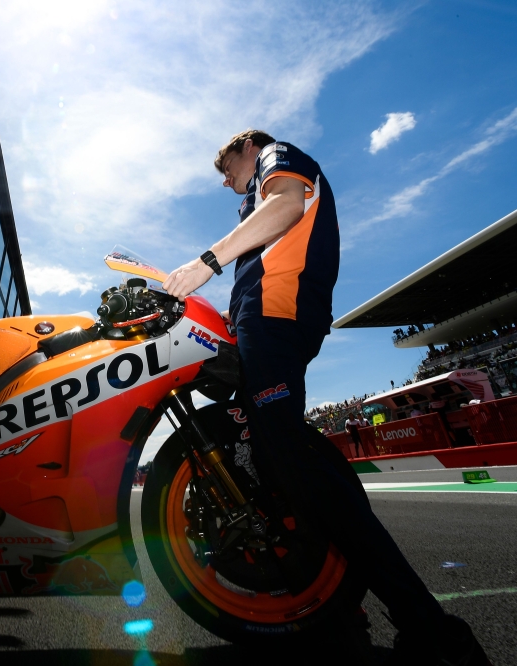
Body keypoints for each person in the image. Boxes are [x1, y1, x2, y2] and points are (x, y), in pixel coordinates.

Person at [162, 130, 489, 663]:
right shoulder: (253, 199)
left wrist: (205, 262)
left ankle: (427, 624)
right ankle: (338, 603)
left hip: (278, 320)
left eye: (224, 164)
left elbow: (287, 204)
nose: (223, 179)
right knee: (284, 466)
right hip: (263, 321)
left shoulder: (277, 159)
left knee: (297, 467)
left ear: (249, 145)